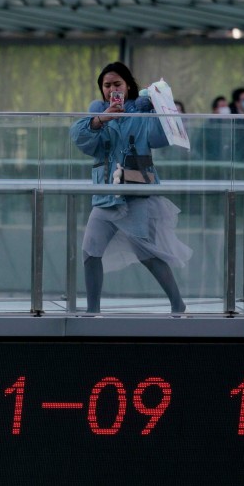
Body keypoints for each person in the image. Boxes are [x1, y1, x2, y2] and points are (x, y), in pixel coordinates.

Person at [69, 61, 192, 315]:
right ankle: (93, 311)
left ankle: (177, 303)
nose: (112, 89)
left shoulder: (141, 111)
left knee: (146, 252)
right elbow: (81, 140)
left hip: (135, 195)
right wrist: (103, 118)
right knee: (90, 251)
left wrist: (157, 107)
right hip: (105, 195)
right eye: (107, 85)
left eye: (117, 84)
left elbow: (159, 139)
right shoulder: (99, 111)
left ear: (128, 86)